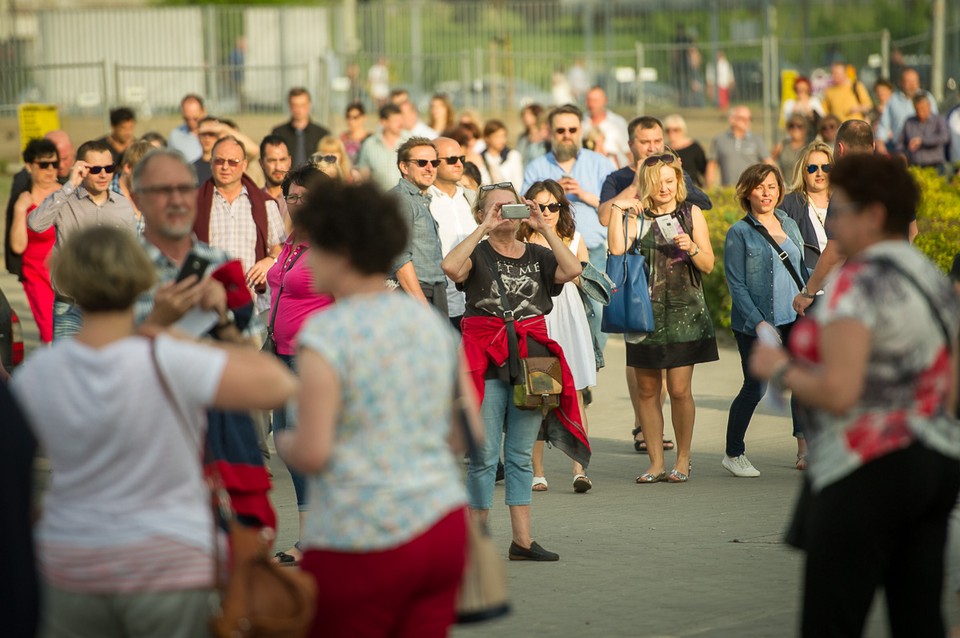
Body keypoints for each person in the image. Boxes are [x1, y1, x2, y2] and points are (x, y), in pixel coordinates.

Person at [10, 224, 297, 638]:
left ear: (67, 280)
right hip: (170, 559)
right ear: (140, 277)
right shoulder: (170, 356)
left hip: (70, 560)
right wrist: (222, 326)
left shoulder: (39, 375)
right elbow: (278, 385)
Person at [750, 155, 960, 637]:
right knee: (918, 614)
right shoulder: (933, 278)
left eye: (840, 210)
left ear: (873, 215)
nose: (832, 222)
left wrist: (780, 368)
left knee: (834, 617)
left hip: (865, 470)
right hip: (936, 463)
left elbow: (839, 392)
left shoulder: (859, 283)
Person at [277, 180, 470, 638]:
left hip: (359, 532)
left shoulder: (327, 336)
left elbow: (315, 451)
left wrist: (286, 441)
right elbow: (465, 433)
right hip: (439, 526)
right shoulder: (430, 327)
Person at [442, 182, 588, 562]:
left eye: (512, 206)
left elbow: (572, 269)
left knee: (521, 454)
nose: (506, 212)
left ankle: (522, 541)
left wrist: (544, 227)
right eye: (497, 207)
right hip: (486, 362)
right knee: (485, 456)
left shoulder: (539, 253)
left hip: (531, 361)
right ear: (481, 213)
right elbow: (450, 267)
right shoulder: (477, 252)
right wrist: (483, 229)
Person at [609, 152, 718, 483]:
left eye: (671, 181)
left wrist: (693, 248)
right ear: (646, 184)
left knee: (680, 389)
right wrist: (618, 210)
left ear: (679, 182)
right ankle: (656, 462)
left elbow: (709, 265)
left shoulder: (691, 213)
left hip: (686, 312)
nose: (665, 187)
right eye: (658, 182)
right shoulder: (637, 217)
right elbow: (616, 251)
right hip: (644, 315)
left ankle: (683, 459)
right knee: (646, 389)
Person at [266, 165, 334, 568]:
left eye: (307, 197)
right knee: (288, 443)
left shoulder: (333, 245)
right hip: (280, 356)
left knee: (304, 446)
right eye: (292, 197)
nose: (298, 204)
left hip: (312, 361)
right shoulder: (292, 241)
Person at [723, 164, 808, 477]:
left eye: (772, 186)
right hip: (756, 324)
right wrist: (759, 323)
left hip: (794, 317)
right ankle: (733, 452)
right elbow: (736, 284)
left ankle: (808, 447)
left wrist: (818, 289)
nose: (766, 193)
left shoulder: (789, 223)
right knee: (754, 388)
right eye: (759, 187)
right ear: (747, 192)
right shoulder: (739, 233)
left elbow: (800, 269)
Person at [523, 104, 616, 359]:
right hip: (542, 252)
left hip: (589, 248)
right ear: (550, 132)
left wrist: (584, 194)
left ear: (581, 130)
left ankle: (590, 360)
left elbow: (613, 207)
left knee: (595, 312)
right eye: (560, 129)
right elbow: (523, 208)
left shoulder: (600, 164)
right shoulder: (536, 167)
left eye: (572, 129)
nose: (567, 134)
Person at [523, 180, 596, 492]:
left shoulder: (575, 238)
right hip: (538, 317)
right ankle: (537, 472)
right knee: (539, 396)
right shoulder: (521, 238)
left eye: (554, 206)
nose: (548, 212)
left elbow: (585, 280)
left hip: (569, 318)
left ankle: (579, 469)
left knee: (576, 394)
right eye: (541, 206)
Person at [28, 139, 138, 339]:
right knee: (68, 369)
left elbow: (131, 256)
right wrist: (69, 185)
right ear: (81, 169)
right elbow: (35, 224)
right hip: (70, 307)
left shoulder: (123, 205)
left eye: (109, 167)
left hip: (111, 309)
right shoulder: (64, 200)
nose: (103, 174)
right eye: (95, 169)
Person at [193, 135, 285, 315]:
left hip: (255, 305)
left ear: (244, 165)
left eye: (233, 162)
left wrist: (270, 261)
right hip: (209, 305)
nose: (225, 167)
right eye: (219, 161)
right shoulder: (194, 204)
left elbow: (280, 248)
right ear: (211, 163)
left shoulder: (265, 204)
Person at [9, 139, 61, 343]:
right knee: (50, 332)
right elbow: (17, 246)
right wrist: (20, 210)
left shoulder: (66, 194)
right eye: (43, 164)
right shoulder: (23, 199)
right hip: (36, 275)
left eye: (54, 164)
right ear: (29, 166)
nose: (50, 170)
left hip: (65, 273)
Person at [429, 137, 479, 331]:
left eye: (461, 158)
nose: (459, 164)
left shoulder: (473, 198)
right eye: (451, 159)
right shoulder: (424, 201)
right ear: (434, 162)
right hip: (440, 307)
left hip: (475, 306)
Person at [780, 142, 834, 273]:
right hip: (808, 284)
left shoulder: (843, 202)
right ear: (803, 172)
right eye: (812, 168)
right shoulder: (789, 205)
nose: (819, 173)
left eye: (826, 167)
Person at [706, 105, 774, 188]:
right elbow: (712, 165)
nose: (747, 122)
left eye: (749, 119)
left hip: (751, 190)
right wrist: (710, 188)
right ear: (732, 119)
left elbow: (769, 163)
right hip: (728, 190)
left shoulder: (757, 140)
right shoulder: (719, 140)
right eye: (743, 119)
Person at [877, 67, 939, 152]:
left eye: (915, 81)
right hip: (900, 149)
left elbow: (935, 123)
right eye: (908, 82)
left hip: (925, 149)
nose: (912, 85)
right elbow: (883, 125)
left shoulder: (928, 98)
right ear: (901, 83)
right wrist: (880, 142)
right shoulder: (893, 100)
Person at [271, 87, 331, 167]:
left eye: (303, 105)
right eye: (295, 105)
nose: (299, 110)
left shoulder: (322, 134)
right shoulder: (278, 133)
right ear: (290, 106)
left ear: (309, 105)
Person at [355, 103, 404, 191]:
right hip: (380, 200)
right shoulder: (370, 144)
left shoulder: (409, 141)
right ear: (383, 122)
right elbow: (363, 175)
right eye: (396, 120)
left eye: (401, 120)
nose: (400, 124)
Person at [897, 94, 949, 171]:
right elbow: (900, 143)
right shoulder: (909, 122)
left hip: (935, 165)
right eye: (918, 110)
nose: (920, 113)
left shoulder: (939, 120)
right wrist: (902, 153)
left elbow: (944, 137)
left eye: (923, 109)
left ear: (929, 106)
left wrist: (922, 141)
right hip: (915, 164)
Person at [582, 86, 631, 167]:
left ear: (605, 101)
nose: (591, 104)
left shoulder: (617, 123)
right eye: (589, 100)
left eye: (595, 100)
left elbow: (629, 151)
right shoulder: (581, 123)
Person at [478, 119, 524, 191]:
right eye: (497, 136)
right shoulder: (479, 158)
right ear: (487, 138)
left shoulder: (513, 156)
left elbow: (518, 184)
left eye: (503, 136)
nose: (502, 140)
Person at [664, 113, 707, 187]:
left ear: (682, 130)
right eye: (668, 130)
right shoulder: (664, 150)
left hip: (692, 187)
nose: (671, 133)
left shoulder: (694, 147)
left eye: (675, 130)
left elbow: (704, 170)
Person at [168, 94, 205, 163]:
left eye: (195, 118)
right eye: (187, 119)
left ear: (203, 112)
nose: (191, 122)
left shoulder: (217, 133)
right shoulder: (175, 136)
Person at [773, 114, 811, 180]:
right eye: (792, 126)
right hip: (786, 187)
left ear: (805, 129)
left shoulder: (810, 147)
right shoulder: (782, 145)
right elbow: (770, 161)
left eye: (799, 126)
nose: (795, 128)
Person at [340, 101, 370, 166]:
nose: (351, 121)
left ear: (364, 118)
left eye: (355, 117)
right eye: (348, 117)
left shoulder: (371, 139)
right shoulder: (342, 138)